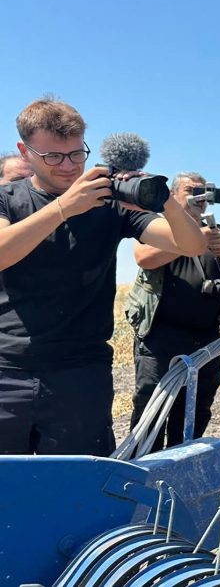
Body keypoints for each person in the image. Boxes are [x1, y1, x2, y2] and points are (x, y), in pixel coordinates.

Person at [0, 97, 206, 455]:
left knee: (77, 490)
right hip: (6, 370)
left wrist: (163, 200)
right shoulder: (7, 198)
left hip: (80, 373)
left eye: (77, 154)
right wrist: (65, 207)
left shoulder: (109, 203)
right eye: (53, 157)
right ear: (25, 150)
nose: (68, 166)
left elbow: (189, 245)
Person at [126, 172, 220, 451]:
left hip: (206, 338)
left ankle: (183, 467)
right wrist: (192, 243)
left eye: (205, 191)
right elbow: (144, 258)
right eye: (192, 190)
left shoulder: (215, 229)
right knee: (152, 407)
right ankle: (144, 472)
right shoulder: (157, 225)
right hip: (161, 339)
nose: (200, 197)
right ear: (172, 195)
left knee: (195, 410)